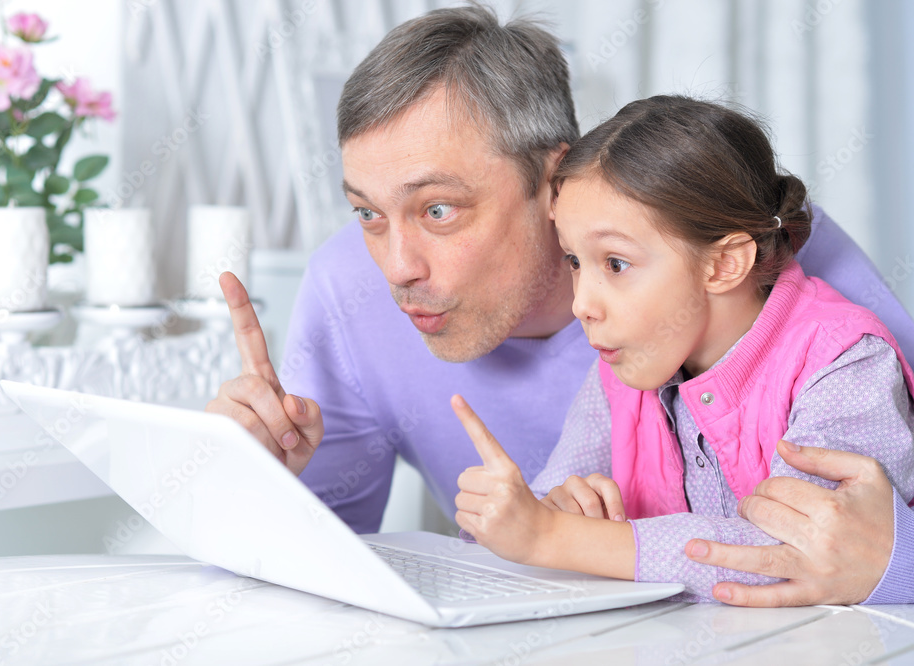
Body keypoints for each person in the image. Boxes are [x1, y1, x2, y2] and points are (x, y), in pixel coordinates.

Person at [206, 5, 914, 604]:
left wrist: (894, 562)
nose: (396, 268)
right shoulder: (349, 286)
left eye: (439, 209)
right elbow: (328, 566)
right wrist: (244, 480)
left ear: (552, 182)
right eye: (367, 212)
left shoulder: (765, 244)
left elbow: (850, 536)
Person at [450, 94, 914, 602]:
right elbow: (535, 516)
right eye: (575, 262)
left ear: (724, 264)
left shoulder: (847, 365)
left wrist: (553, 537)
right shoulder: (623, 371)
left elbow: (801, 552)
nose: (581, 304)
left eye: (616, 264)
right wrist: (543, 510)